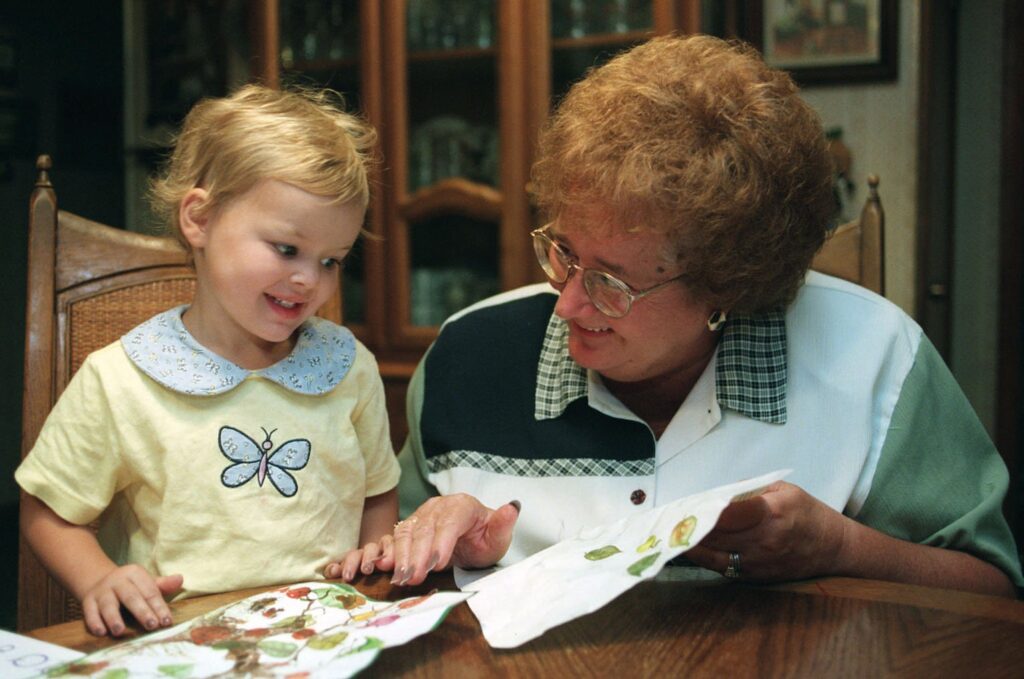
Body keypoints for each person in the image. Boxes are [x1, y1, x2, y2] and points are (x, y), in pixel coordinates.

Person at [366, 34, 1023, 595]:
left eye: (612, 283)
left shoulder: (874, 357)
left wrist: (839, 549)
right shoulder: (466, 358)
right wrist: (439, 539)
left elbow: (994, 592)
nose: (566, 303)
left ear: (730, 286)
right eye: (563, 253)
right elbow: (389, 592)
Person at [16, 84, 401, 637]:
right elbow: (47, 509)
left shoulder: (349, 368)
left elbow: (377, 490)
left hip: (326, 638)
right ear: (199, 218)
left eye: (332, 260)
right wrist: (98, 579)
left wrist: (371, 568)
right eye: (287, 249)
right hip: (180, 638)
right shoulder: (121, 378)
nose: (309, 280)